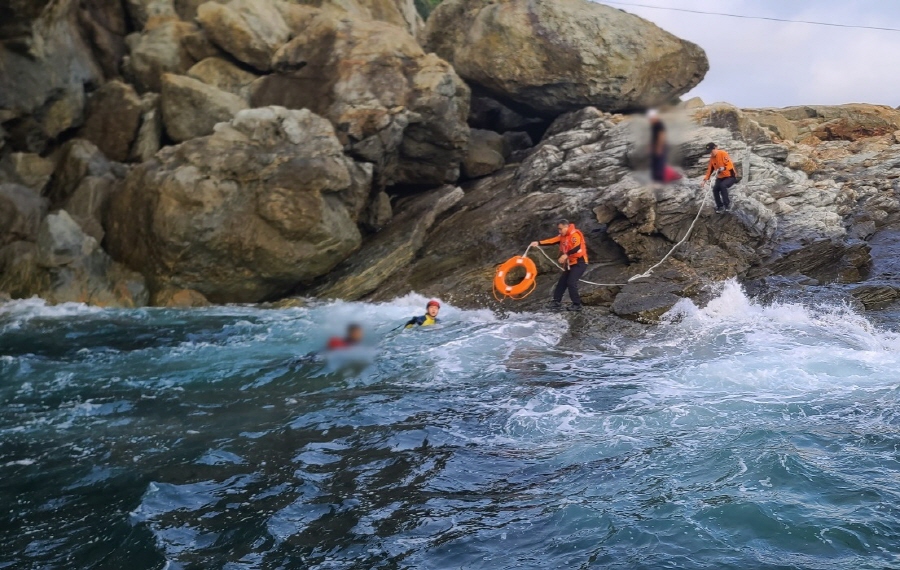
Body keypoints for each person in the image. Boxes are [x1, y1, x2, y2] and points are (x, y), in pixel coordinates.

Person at [530, 220, 588, 312]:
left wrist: (565, 255)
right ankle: (556, 302)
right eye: (558, 229)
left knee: (571, 282)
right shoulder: (562, 237)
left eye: (561, 229)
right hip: (570, 263)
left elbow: (577, 248)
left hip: (579, 263)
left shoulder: (575, 235)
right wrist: (538, 243)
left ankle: (577, 304)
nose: (559, 232)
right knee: (562, 282)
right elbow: (552, 241)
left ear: (566, 227)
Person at [704, 142, 737, 213]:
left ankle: (727, 205)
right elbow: (710, 169)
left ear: (715, 148)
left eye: (711, 151)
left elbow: (730, 165)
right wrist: (705, 179)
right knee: (715, 189)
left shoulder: (723, 153)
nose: (711, 153)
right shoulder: (712, 158)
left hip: (730, 176)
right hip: (720, 177)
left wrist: (723, 168)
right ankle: (720, 206)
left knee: (723, 186)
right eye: (709, 152)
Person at [648, 109, 667, 182]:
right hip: (654, 146)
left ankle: (660, 179)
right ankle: (655, 178)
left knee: (659, 162)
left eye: (651, 118)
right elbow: (652, 136)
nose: (650, 120)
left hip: (660, 147)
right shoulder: (653, 125)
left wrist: (659, 148)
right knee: (654, 163)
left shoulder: (659, 124)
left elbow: (661, 136)